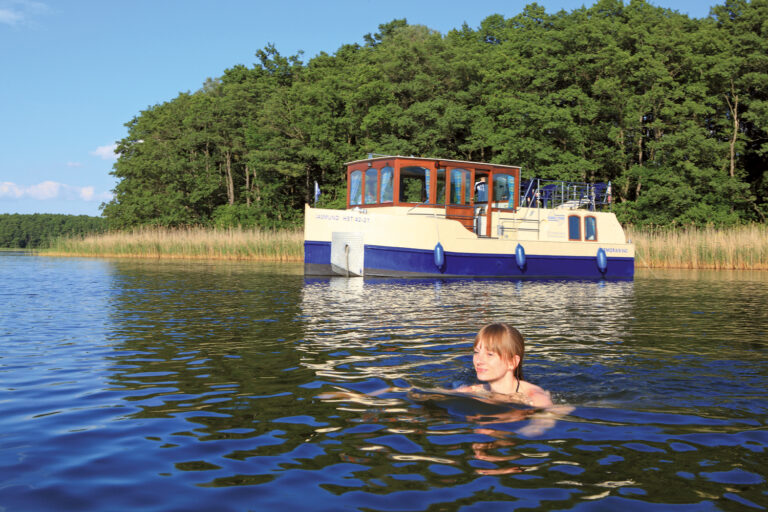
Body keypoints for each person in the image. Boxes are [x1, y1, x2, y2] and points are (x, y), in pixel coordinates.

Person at [457, 322, 553, 408]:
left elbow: (546, 421)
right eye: (476, 352)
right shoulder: (472, 391)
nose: (478, 361)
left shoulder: (534, 397)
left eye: (490, 354)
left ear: (512, 362)